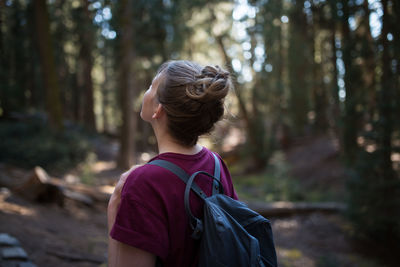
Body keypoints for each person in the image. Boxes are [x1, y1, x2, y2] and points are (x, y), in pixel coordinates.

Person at [107, 60, 238, 267]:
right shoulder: (215, 164)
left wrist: (114, 206)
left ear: (158, 109)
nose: (146, 91)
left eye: (151, 86)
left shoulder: (143, 183)